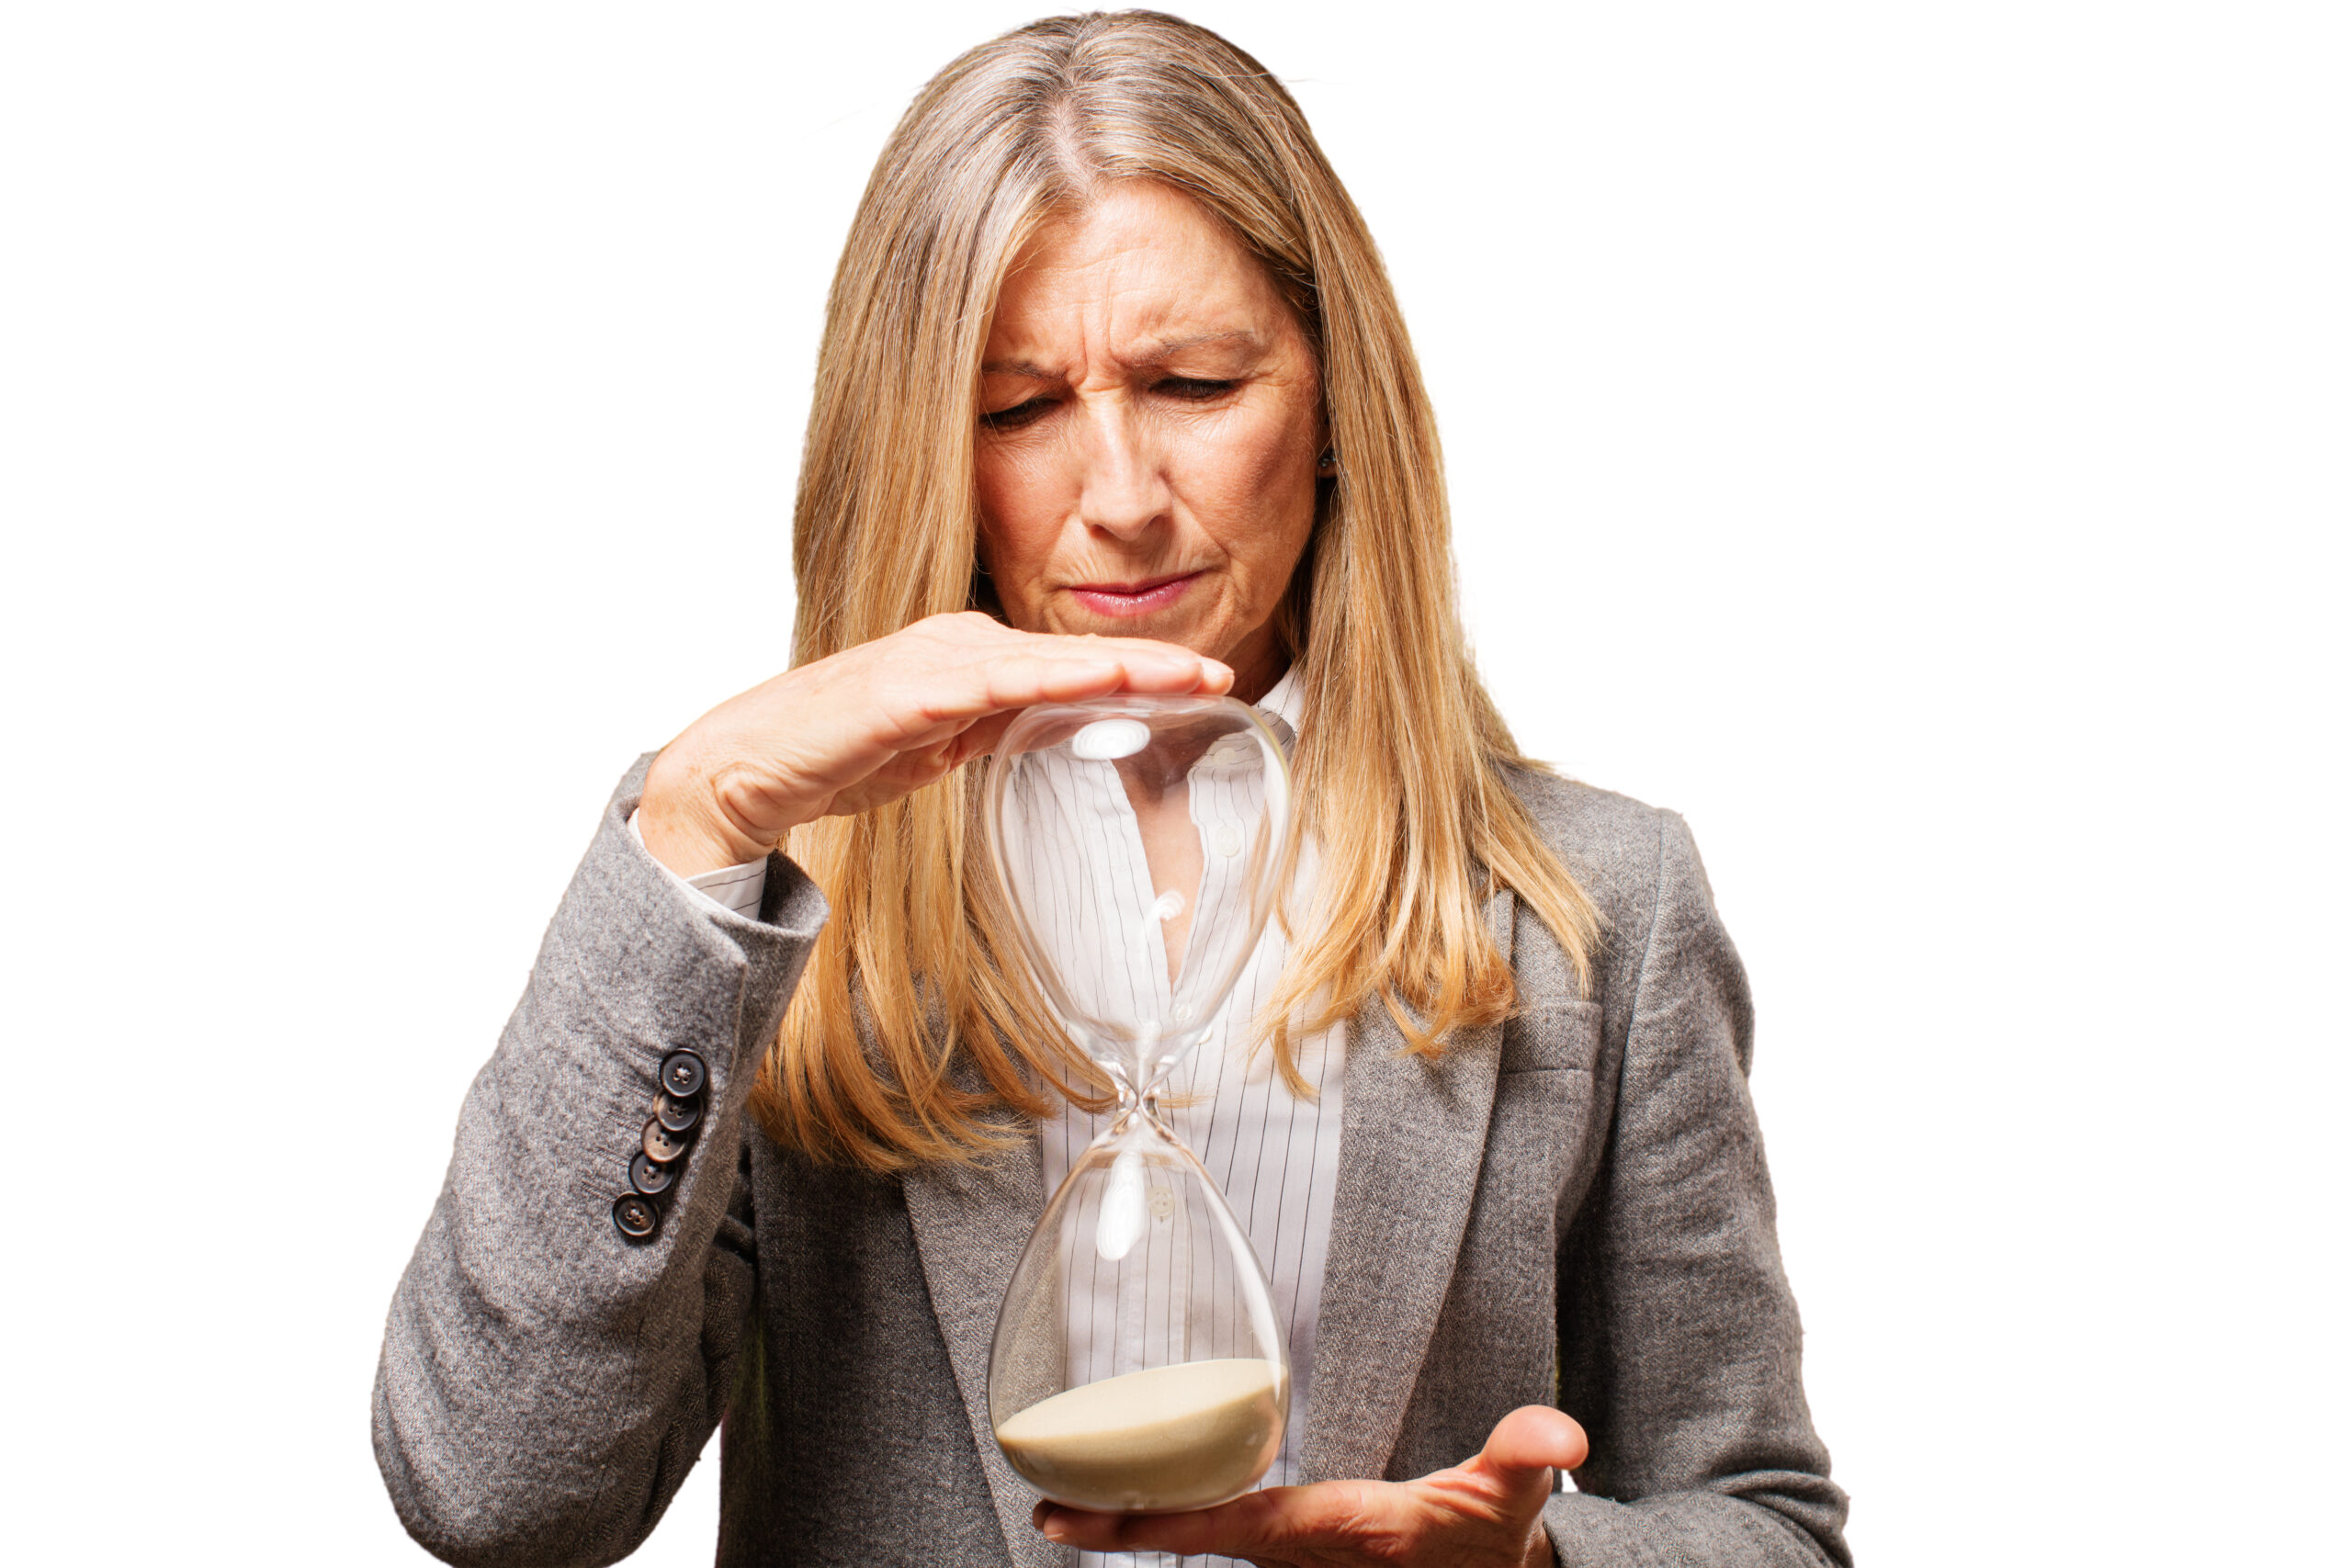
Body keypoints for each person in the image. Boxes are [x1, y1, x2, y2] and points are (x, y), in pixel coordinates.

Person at [374, 12, 1848, 1567]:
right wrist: (699, 814)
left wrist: (1536, 1566)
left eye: (1195, 385)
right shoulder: (760, 901)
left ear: (1334, 400)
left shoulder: (1597, 906)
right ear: (927, 444)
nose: (1125, 500)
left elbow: (1769, 1528)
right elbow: (496, 1495)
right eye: (1019, 410)